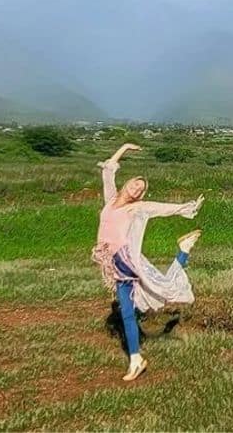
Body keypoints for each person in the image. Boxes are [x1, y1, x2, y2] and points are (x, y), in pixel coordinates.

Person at [92, 143, 204, 381]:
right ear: (128, 183)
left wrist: (187, 207)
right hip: (112, 260)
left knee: (148, 297)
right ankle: (183, 251)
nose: (136, 189)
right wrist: (124, 148)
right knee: (135, 305)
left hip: (123, 261)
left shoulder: (136, 208)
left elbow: (160, 209)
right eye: (135, 184)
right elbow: (108, 170)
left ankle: (135, 359)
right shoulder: (110, 200)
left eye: (140, 189)